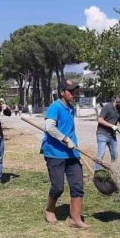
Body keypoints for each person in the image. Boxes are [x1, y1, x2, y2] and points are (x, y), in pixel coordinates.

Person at [42, 79, 88, 228]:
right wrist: (65, 139)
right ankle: (49, 209)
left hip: (72, 153)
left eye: (75, 91)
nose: (75, 94)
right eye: (71, 91)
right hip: (54, 152)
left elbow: (69, 129)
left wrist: (73, 145)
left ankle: (76, 219)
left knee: (77, 185)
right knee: (58, 187)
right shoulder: (55, 107)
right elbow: (49, 127)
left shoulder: (71, 108)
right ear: (62, 92)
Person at [95, 96, 120, 170]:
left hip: (112, 136)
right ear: (117, 102)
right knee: (101, 154)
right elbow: (100, 120)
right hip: (102, 134)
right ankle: (97, 172)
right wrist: (111, 125)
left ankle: (114, 172)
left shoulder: (119, 112)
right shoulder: (107, 108)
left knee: (114, 155)